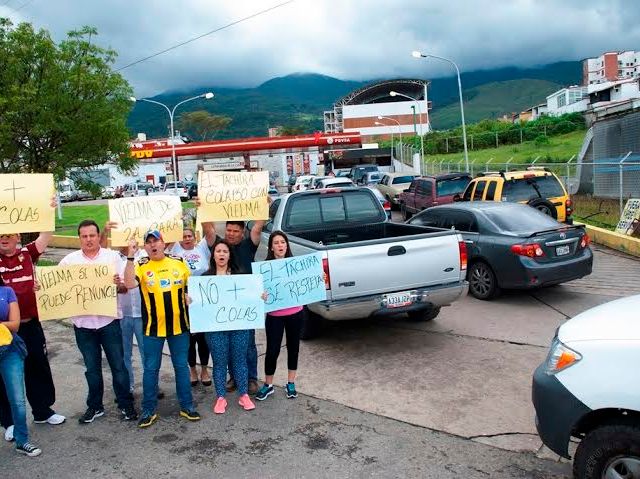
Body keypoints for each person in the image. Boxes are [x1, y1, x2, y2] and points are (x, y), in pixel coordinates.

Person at [59, 220, 138, 424]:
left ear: (98, 237)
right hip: (83, 325)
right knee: (92, 369)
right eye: (84, 236)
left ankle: (125, 404)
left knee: (118, 366)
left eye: (92, 235)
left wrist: (118, 285)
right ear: (80, 238)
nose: (88, 240)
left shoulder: (112, 257)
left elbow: (125, 288)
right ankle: (95, 406)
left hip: (109, 322)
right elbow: (57, 289)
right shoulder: (69, 261)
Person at [123, 230, 201, 429]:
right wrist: (131, 256)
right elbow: (129, 283)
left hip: (180, 327)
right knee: (151, 369)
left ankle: (187, 405)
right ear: (145, 247)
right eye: (148, 242)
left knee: (181, 367)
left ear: (163, 242)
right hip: (152, 328)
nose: (153, 245)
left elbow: (193, 287)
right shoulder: (140, 264)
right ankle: (148, 410)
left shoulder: (178, 261)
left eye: (155, 240)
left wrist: (190, 298)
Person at [0, 224, 66, 438]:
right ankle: (9, 422)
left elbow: (45, 235)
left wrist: (47, 209)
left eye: (8, 234)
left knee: (38, 367)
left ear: (17, 235)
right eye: (0, 235)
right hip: (4, 331)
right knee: (5, 376)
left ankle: (42, 411)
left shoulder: (28, 253)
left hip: (31, 323)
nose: (4, 239)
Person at [204, 218, 267, 395]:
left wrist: (262, 208)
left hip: (245, 306)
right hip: (222, 309)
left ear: (242, 232)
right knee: (229, 346)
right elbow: (208, 230)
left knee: (248, 345)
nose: (231, 233)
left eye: (235, 231)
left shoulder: (249, 245)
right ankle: (234, 377)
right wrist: (203, 211)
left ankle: (251, 379)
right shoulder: (219, 246)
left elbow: (257, 228)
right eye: (228, 230)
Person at [202, 239, 255, 414]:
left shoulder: (240, 277)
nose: (222, 254)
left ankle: (243, 395)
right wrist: (191, 301)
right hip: (215, 329)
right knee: (219, 363)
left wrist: (259, 296)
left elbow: (251, 298)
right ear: (213, 255)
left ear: (229, 255)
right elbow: (200, 304)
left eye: (225, 251)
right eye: (218, 251)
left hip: (239, 326)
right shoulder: (204, 279)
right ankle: (220, 397)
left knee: (240, 360)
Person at [255, 231, 303, 401]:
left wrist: (319, 278)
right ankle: (268, 385)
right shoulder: (265, 268)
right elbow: (258, 292)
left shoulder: (296, 265)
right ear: (271, 247)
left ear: (287, 245)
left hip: (295, 313)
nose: (280, 245)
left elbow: (307, 282)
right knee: (272, 350)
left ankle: (291, 383)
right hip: (275, 315)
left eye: (283, 242)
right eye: (276, 243)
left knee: (293, 348)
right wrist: (261, 296)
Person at [0, 276, 42, 456]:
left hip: (10, 351)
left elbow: (15, 325)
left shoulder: (7, 292)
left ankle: (22, 440)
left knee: (17, 400)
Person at [168, 226, 214, 387]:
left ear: (194, 237)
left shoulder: (201, 247)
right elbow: (166, 236)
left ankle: (204, 369)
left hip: (202, 296)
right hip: (183, 296)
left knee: (202, 337)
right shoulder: (174, 250)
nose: (187, 238)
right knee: (188, 337)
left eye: (189, 236)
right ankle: (192, 370)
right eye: (183, 236)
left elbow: (210, 232)